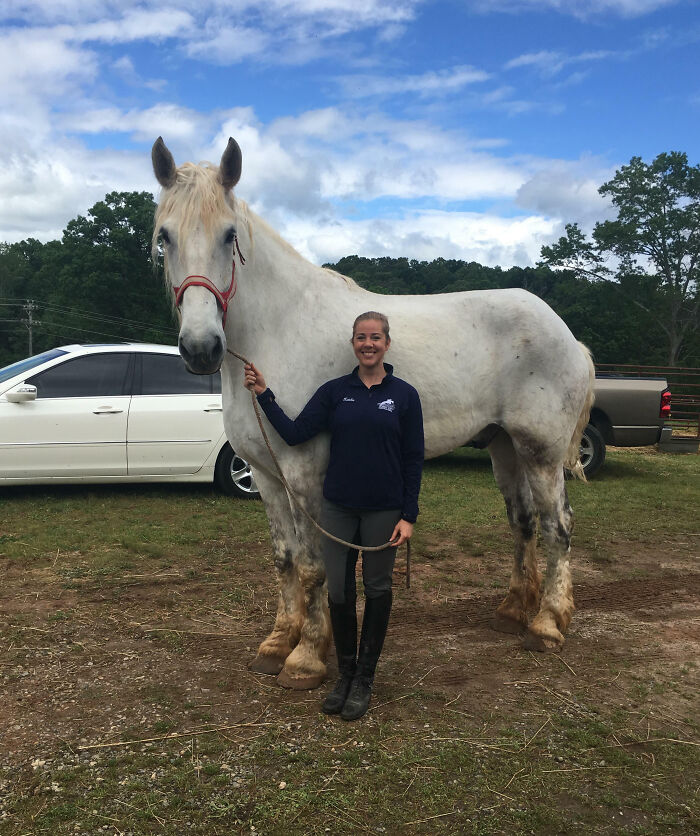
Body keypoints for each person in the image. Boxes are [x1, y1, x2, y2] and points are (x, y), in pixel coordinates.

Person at [244, 311, 424, 721]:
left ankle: (365, 678)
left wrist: (408, 515)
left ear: (387, 344)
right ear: (353, 343)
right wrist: (263, 394)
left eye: (376, 337)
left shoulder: (405, 395)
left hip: (384, 510)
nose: (368, 344)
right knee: (340, 592)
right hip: (339, 508)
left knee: (377, 589)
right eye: (361, 337)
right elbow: (294, 433)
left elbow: (414, 458)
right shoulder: (334, 392)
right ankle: (345, 674)